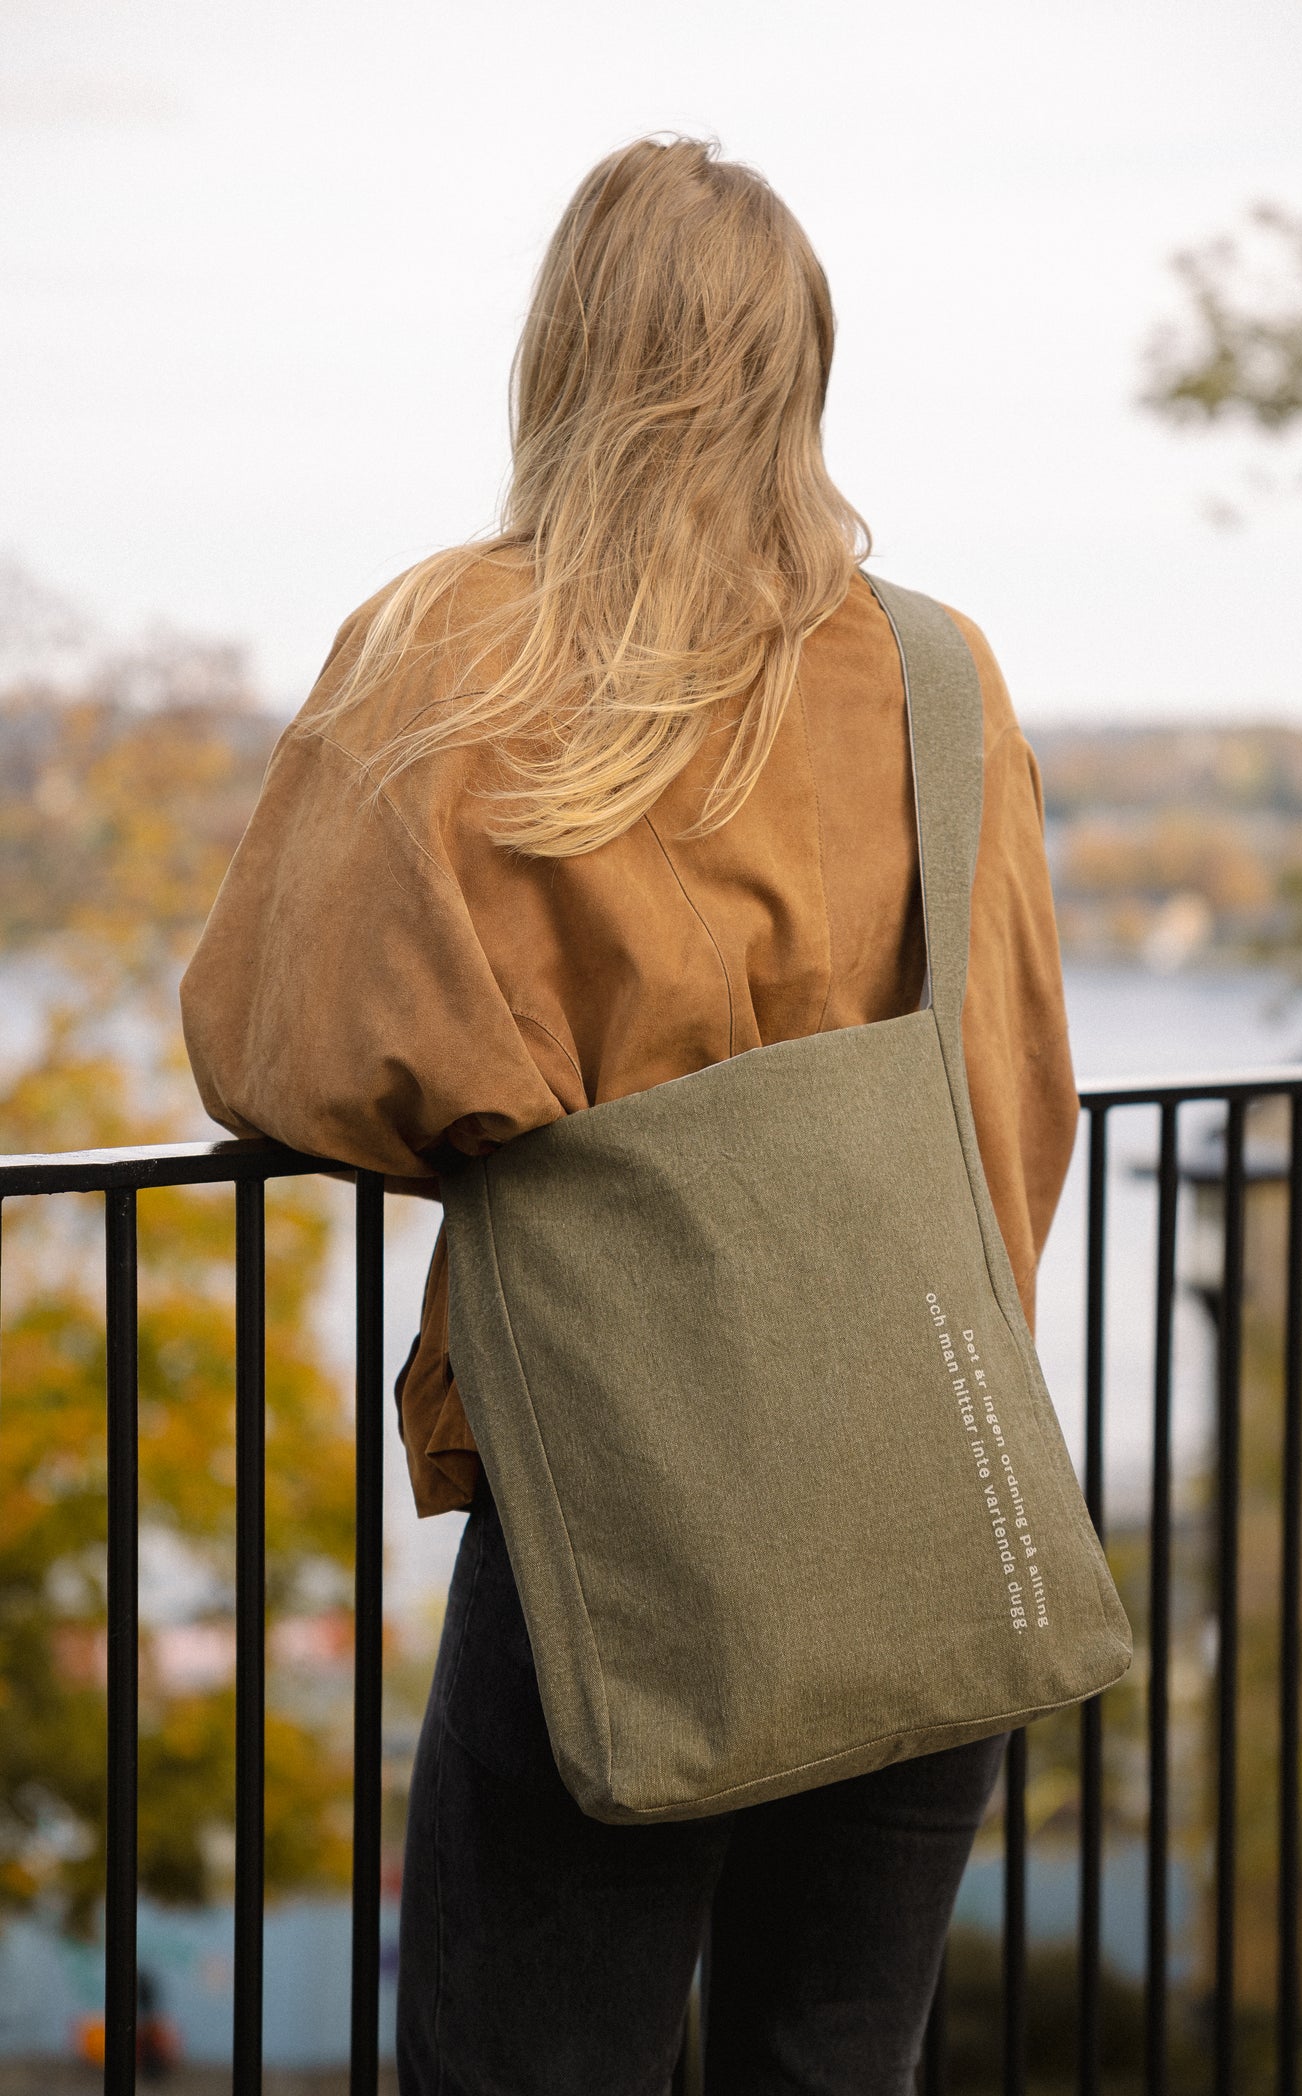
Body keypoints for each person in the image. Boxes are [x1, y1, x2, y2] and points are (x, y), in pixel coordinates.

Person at [181, 135, 1078, 2096]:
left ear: (562, 356)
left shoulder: (459, 646)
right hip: (924, 1485)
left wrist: (560, 1128)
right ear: (802, 368)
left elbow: (282, 1046)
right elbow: (1014, 1108)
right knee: (838, 2062)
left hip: (622, 1505)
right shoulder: (938, 672)